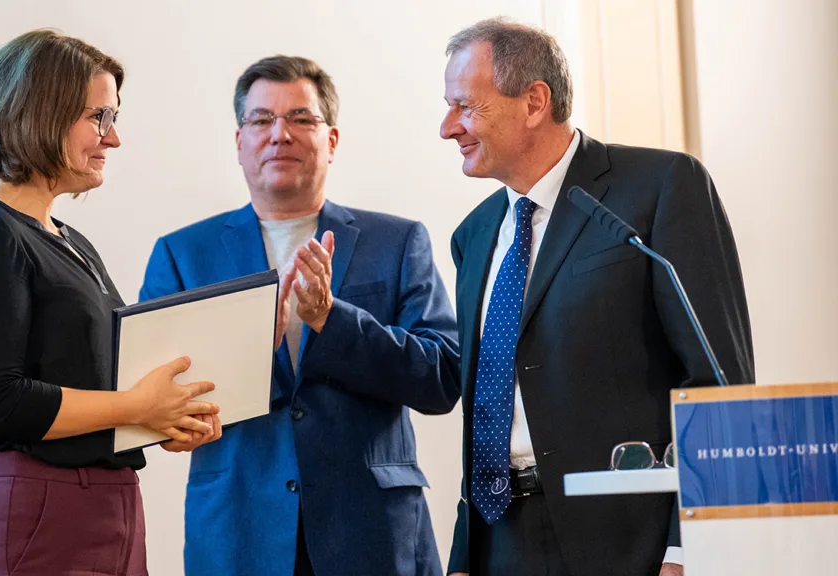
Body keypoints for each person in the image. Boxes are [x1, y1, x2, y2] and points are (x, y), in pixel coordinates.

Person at [439, 18, 755, 576]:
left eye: (466, 106)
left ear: (534, 101)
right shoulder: (473, 234)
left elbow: (716, 382)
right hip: (500, 542)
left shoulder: (661, 187)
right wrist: (466, 555)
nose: (447, 127)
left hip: (630, 544)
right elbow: (483, 401)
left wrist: (688, 548)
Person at [138, 55, 461, 576]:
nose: (279, 134)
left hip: (372, 533)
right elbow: (152, 407)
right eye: (262, 120)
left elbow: (441, 379)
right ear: (239, 141)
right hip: (239, 532)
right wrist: (246, 348)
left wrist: (332, 321)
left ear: (331, 139)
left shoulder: (398, 242)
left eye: (301, 119)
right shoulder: (182, 254)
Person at [0, 30, 221, 575]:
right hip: (35, 511)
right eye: (100, 118)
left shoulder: (69, 240)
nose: (113, 140)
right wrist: (137, 408)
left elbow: (98, 388)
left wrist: (166, 420)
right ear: (41, 114)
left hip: (109, 510)